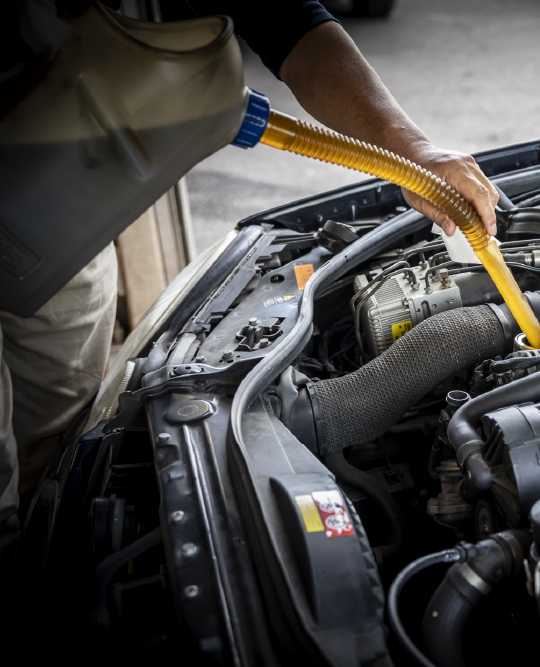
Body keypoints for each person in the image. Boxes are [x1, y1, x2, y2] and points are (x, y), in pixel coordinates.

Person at [0, 0, 499, 559]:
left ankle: (42, 539)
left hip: (56, 208)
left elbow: (290, 23)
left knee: (56, 417)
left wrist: (413, 151)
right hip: (35, 162)